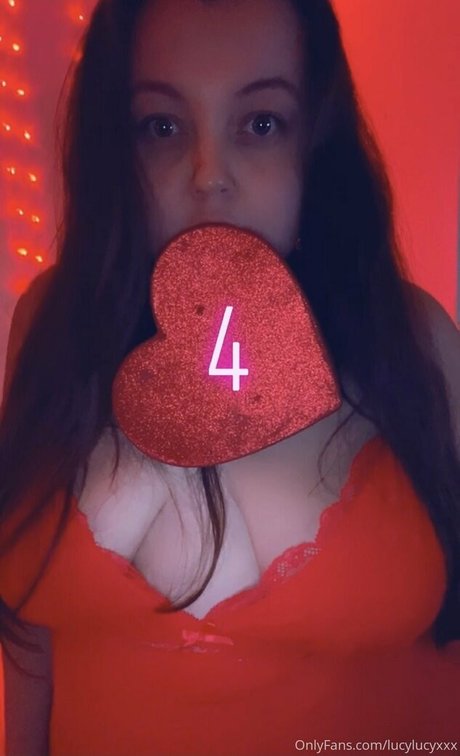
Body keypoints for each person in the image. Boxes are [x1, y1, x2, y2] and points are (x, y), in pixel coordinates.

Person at [1, 0, 460, 753]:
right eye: (162, 126)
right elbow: (29, 641)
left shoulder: (412, 338)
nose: (208, 175)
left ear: (314, 140)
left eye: (260, 123)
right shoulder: (53, 322)